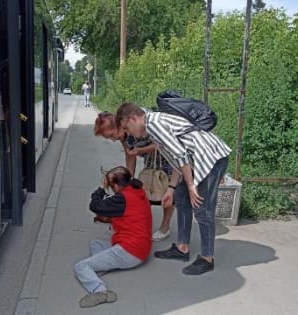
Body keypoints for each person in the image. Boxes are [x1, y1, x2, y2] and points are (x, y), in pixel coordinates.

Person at [116, 102, 231, 275]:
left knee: (202, 208)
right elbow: (176, 158)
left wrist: (192, 185)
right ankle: (182, 248)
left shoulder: (154, 124)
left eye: (127, 127)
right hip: (192, 160)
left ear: (133, 118)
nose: (129, 133)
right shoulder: (150, 125)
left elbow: (180, 155)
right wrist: (171, 188)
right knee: (182, 198)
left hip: (210, 159)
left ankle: (207, 258)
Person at [74, 166, 152, 308]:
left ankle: (100, 291)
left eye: (110, 185)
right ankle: (101, 266)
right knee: (96, 243)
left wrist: (101, 188)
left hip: (130, 251)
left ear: (116, 185)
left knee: (81, 267)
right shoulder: (137, 191)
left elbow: (95, 205)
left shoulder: (122, 198)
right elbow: (132, 215)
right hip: (141, 246)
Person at [94, 112, 175, 241]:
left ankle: (164, 227)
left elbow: (165, 143)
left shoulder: (139, 126)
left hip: (168, 155)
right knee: (146, 188)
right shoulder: (123, 136)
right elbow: (130, 154)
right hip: (151, 157)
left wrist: (141, 151)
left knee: (167, 189)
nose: (113, 139)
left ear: (119, 126)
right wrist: (128, 180)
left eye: (112, 135)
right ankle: (141, 225)